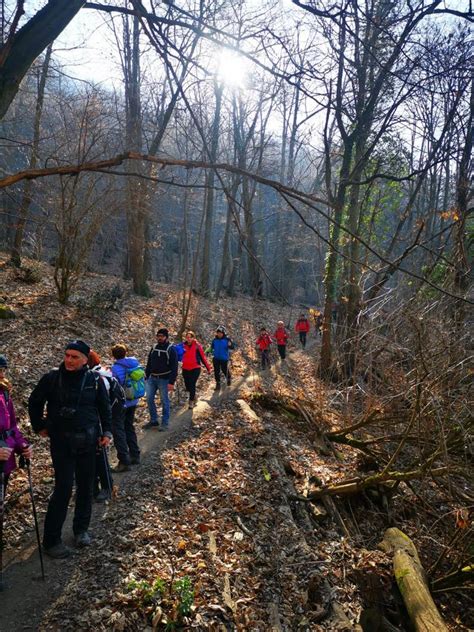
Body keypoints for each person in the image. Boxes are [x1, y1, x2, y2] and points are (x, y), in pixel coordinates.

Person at [28, 340, 112, 558]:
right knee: (63, 488)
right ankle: (52, 540)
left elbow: (104, 407)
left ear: (85, 360)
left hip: (89, 441)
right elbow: (34, 402)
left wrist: (107, 433)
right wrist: (40, 426)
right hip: (61, 443)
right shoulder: (52, 378)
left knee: (86, 488)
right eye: (67, 355)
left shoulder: (94, 380)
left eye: (75, 357)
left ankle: (81, 530)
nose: (69, 360)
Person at [0, 355, 32, 494]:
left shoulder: (4, 393)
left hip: (4, 460)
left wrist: (22, 445)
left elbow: (11, 427)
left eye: (2, 370)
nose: (1, 374)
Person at [87, 351, 116, 502]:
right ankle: (92, 489)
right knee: (90, 461)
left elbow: (103, 404)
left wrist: (106, 430)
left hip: (97, 424)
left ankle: (107, 487)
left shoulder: (98, 377)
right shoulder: (96, 374)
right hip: (89, 424)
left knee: (100, 459)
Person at [110, 343, 141, 466]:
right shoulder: (134, 363)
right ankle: (135, 455)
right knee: (129, 427)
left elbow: (114, 387)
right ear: (125, 353)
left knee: (119, 430)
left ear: (113, 356)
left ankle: (124, 461)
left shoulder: (115, 369)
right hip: (133, 400)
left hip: (122, 403)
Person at [144, 329, 178, 430]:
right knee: (149, 399)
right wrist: (146, 375)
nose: (160, 338)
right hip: (152, 378)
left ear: (166, 337)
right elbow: (149, 362)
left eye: (162, 336)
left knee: (164, 401)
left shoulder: (171, 349)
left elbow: (174, 367)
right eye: (158, 336)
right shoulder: (154, 347)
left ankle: (165, 423)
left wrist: (171, 382)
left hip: (165, 379)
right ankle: (154, 420)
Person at [181, 331, 211, 409]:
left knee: (192, 384)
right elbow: (177, 354)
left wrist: (208, 368)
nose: (189, 339)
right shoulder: (183, 345)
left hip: (195, 368)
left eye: (190, 337)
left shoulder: (197, 346)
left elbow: (203, 357)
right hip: (185, 368)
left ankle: (191, 402)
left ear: (193, 338)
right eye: (187, 337)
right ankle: (194, 395)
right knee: (187, 386)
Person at [209, 326, 235, 391]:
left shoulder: (227, 339)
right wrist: (208, 351)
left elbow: (232, 347)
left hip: (224, 358)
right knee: (216, 371)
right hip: (216, 358)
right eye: (218, 333)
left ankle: (228, 378)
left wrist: (230, 345)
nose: (219, 334)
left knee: (224, 370)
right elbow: (211, 348)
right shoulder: (214, 340)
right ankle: (218, 384)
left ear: (223, 333)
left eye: (220, 333)